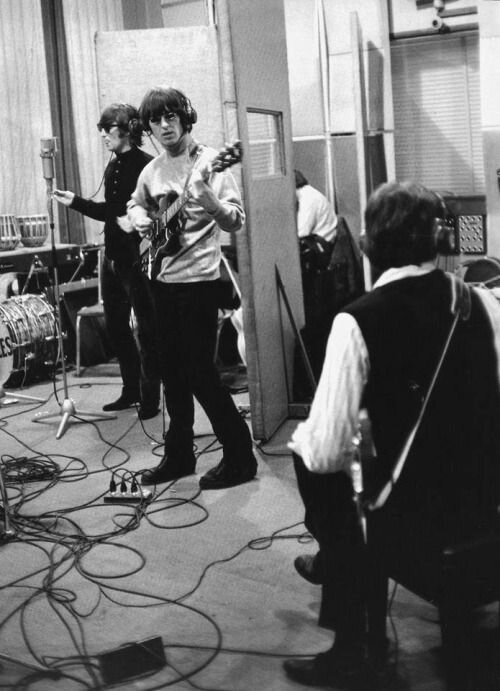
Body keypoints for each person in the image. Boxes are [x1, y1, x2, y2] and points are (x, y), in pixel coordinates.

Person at [284, 181, 500, 688]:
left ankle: (353, 649)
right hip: (485, 501)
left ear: (368, 245)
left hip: (414, 521)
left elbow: (325, 451)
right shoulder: (481, 303)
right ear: (439, 241)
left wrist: (308, 441)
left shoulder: (355, 320)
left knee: (318, 463)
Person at [124, 86, 257, 490]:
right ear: (148, 128)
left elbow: (236, 220)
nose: (164, 126)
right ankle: (179, 455)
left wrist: (209, 201)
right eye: (156, 120)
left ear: (185, 119)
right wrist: (139, 218)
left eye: (171, 117)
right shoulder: (152, 171)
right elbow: (134, 204)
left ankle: (240, 455)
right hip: (160, 281)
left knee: (200, 373)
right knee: (171, 373)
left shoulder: (211, 162)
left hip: (199, 283)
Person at [54, 103, 160, 420]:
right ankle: (131, 391)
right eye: (101, 128)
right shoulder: (114, 166)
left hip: (137, 262)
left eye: (107, 128)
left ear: (128, 129)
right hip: (112, 259)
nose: (102, 134)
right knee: (116, 328)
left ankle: (150, 398)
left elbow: (156, 215)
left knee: (147, 331)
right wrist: (75, 201)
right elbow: (109, 212)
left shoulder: (147, 166)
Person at [295, 169, 337, 243]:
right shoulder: (308, 192)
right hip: (322, 238)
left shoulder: (308, 198)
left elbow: (302, 232)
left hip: (321, 244)